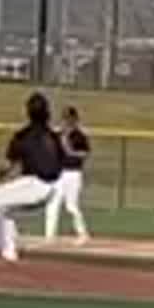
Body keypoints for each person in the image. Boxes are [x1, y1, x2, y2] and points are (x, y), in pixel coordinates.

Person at [0, 92, 64, 262]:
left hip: (34, 184)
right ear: (48, 112)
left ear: (28, 112)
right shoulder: (55, 137)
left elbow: (6, 166)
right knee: (4, 208)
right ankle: (9, 252)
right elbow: (60, 162)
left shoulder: (22, 136)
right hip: (54, 188)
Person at [43, 105, 92, 246]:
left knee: (71, 206)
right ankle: (49, 236)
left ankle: (82, 234)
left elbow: (85, 153)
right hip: (59, 173)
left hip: (73, 174)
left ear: (75, 119)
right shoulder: (58, 134)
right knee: (53, 203)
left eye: (69, 118)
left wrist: (70, 150)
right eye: (65, 118)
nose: (66, 121)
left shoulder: (79, 136)